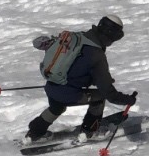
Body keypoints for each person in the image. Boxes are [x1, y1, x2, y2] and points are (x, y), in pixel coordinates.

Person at [26, 14, 137, 142]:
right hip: (67, 93)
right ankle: (89, 132)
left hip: (51, 84)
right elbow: (109, 93)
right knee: (99, 97)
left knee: (56, 106)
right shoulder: (97, 55)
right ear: (111, 36)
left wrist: (94, 78)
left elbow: (74, 66)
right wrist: (127, 99)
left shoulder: (77, 38)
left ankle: (34, 133)